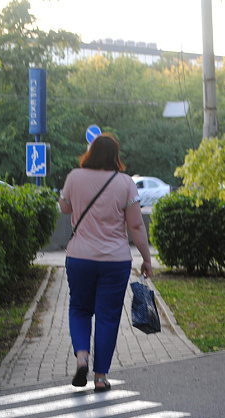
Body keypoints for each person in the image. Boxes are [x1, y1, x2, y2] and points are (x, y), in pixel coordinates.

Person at [58, 133, 153, 393]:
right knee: (107, 317)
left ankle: (81, 358)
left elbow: (64, 208)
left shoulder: (74, 177)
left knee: (79, 309)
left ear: (90, 154)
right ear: (115, 156)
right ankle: (100, 377)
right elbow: (135, 225)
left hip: (79, 258)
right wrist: (146, 257)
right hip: (115, 260)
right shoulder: (125, 183)